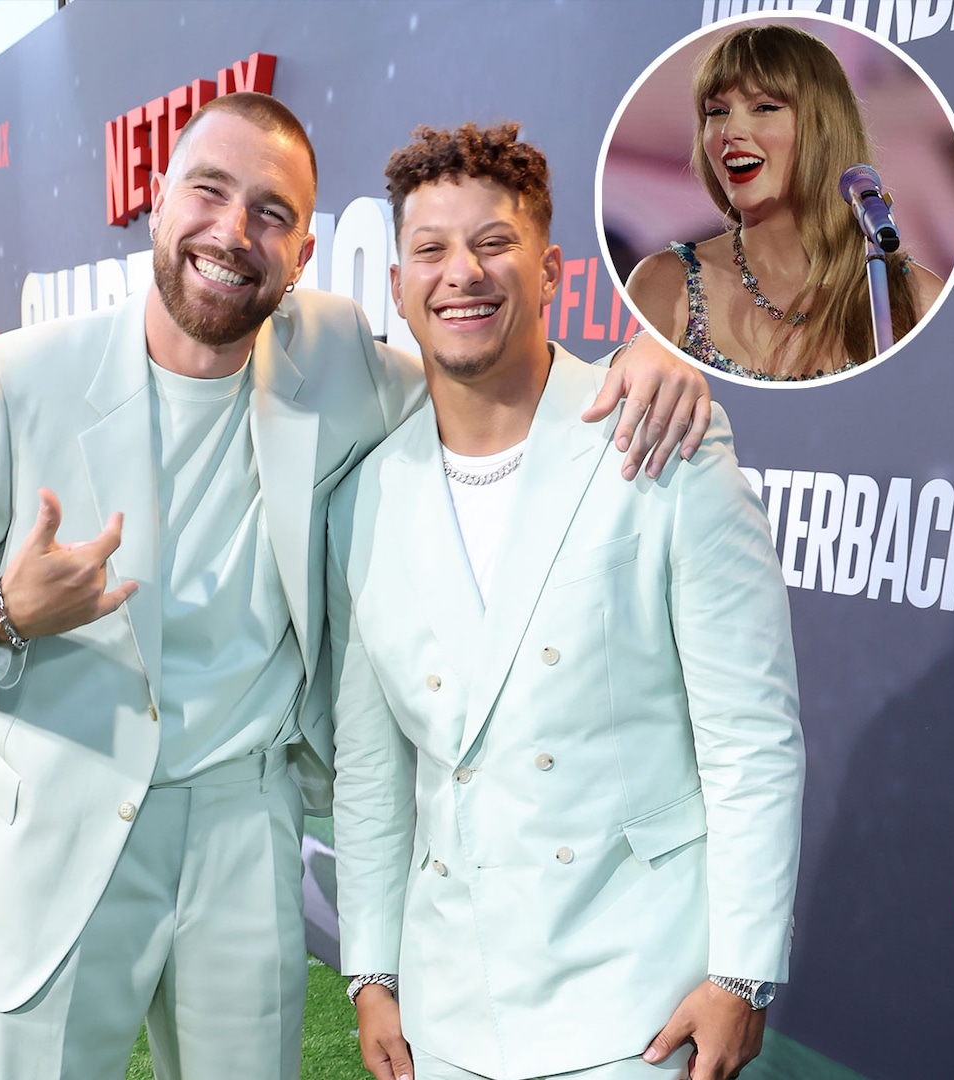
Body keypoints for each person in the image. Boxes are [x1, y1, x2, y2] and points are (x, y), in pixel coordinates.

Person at [0, 92, 710, 1080]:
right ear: (156, 204)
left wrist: (643, 355)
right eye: (208, 192)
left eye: (271, 212)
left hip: (247, 823)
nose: (232, 232)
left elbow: (488, 376)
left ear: (303, 255)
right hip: (61, 819)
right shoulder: (13, 380)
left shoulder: (332, 354)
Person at [328, 122, 805, 1080]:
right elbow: (372, 768)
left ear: (550, 271)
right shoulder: (365, 496)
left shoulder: (663, 436)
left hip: (641, 1005)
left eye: (493, 243)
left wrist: (743, 975)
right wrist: (372, 969)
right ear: (399, 286)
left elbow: (750, 736)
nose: (462, 273)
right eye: (431, 250)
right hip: (447, 1010)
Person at [627, 23, 943, 382]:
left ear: (824, 127)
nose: (729, 132)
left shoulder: (913, 298)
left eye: (764, 107)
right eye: (716, 112)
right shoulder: (666, 286)